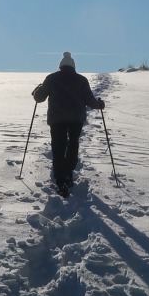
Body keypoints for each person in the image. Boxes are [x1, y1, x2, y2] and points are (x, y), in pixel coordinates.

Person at [32, 51, 105, 197]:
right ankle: (68, 174)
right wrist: (99, 104)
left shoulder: (51, 78)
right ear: (73, 66)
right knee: (73, 144)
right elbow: (90, 100)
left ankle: (60, 182)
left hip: (57, 119)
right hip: (75, 119)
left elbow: (39, 98)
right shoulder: (81, 80)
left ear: (61, 66)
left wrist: (36, 91)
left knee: (58, 148)